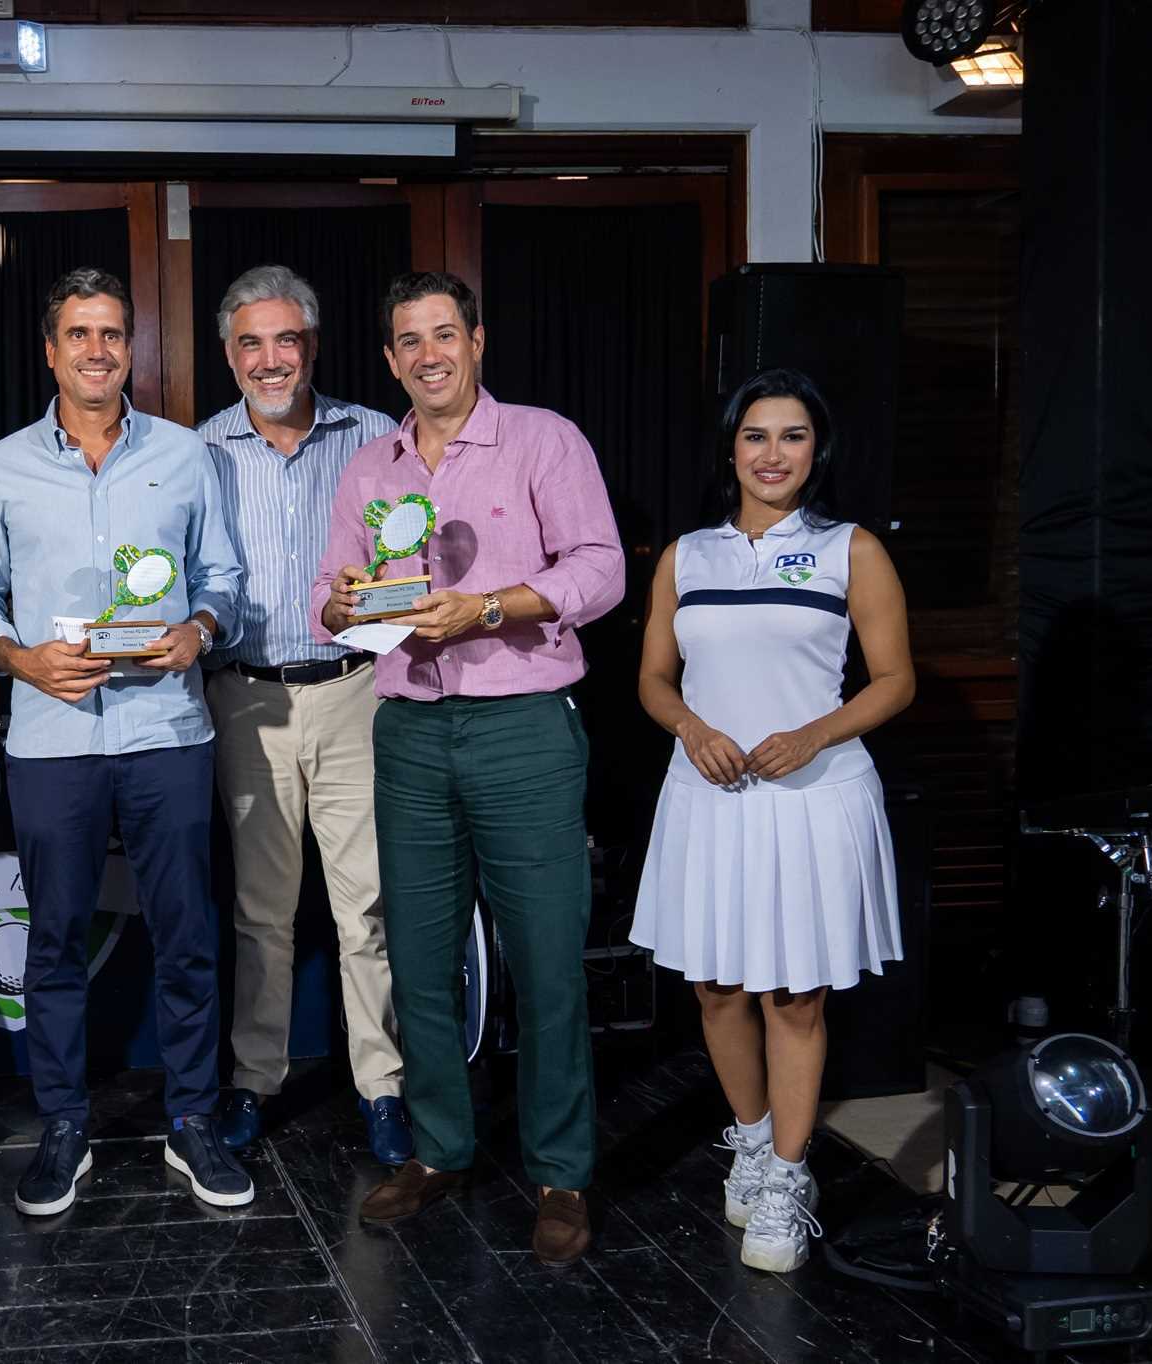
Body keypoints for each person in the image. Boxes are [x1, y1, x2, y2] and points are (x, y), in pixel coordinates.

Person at [312, 270, 624, 1265]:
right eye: (408, 340)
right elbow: (330, 592)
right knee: (420, 951)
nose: (427, 354)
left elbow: (602, 568)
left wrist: (489, 607)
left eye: (444, 334)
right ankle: (441, 1146)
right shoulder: (371, 466)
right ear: (391, 357)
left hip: (522, 724)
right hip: (407, 729)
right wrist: (344, 605)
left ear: (477, 340)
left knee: (545, 958)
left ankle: (562, 1170)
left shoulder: (543, 438)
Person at [0, 267, 249, 1216]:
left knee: (187, 935)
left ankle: (193, 1121)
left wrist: (198, 631)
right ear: (50, 350)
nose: (96, 350)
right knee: (56, 942)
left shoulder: (183, 455)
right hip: (51, 735)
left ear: (133, 347)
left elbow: (224, 576)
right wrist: (19, 661)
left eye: (112, 333)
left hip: (166, 728)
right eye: (78, 334)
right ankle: (65, 1126)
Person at [632, 367, 913, 1274]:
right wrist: (692, 729)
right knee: (716, 987)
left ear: (817, 450)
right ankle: (751, 1146)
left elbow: (895, 680)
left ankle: (791, 1177)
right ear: (731, 449)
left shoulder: (852, 550)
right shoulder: (688, 554)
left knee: (794, 995)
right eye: (757, 436)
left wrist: (813, 733)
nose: (773, 454)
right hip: (708, 797)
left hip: (812, 797)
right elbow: (651, 679)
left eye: (793, 436)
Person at [194, 264, 409, 1164]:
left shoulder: (377, 436)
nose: (271, 359)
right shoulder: (197, 450)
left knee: (367, 909)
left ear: (312, 346)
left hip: (358, 688)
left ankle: (385, 1089)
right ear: (229, 354)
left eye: (287, 341)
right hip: (246, 697)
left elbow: (414, 559)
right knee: (261, 912)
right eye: (251, 343)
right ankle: (254, 1082)